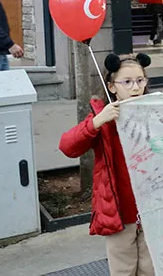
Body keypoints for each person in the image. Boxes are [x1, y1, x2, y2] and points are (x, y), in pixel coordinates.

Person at [59, 53, 155, 276]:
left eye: (140, 80)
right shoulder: (103, 117)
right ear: (112, 86)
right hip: (119, 213)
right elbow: (67, 147)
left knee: (151, 269)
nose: (135, 87)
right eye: (127, 82)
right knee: (123, 269)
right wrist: (96, 122)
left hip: (151, 208)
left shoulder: (152, 109)